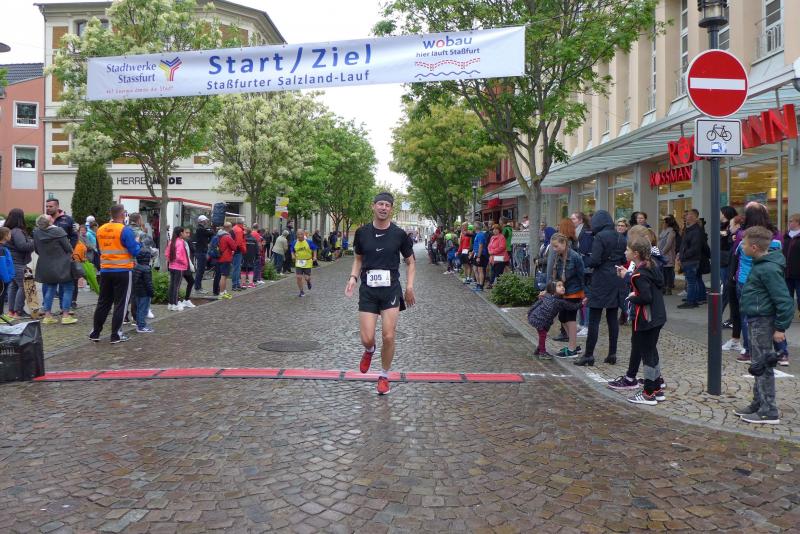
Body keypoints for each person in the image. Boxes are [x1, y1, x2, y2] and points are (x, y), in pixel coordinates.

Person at [345, 192, 416, 396]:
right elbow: (358, 259)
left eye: (387, 205)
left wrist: (409, 287)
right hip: (368, 290)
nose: (383, 208)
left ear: (391, 209)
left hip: (390, 289)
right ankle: (369, 350)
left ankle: (384, 376)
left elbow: (410, 262)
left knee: (389, 335)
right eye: (380, 204)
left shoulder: (399, 234)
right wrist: (353, 278)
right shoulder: (362, 232)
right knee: (367, 338)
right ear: (373, 206)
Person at [734, 226, 794, 424]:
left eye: (743, 243)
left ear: (753, 247)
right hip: (756, 319)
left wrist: (780, 328)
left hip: (763, 321)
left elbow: (784, 301)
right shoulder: (760, 264)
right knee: (758, 364)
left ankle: (769, 410)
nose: (741, 246)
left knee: (763, 365)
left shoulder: (768, 269)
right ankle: (758, 403)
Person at [611, 237, 668, 405]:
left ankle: (648, 393)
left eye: (627, 250)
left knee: (647, 354)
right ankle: (656, 389)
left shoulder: (638, 274)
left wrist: (632, 297)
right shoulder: (651, 266)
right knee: (652, 352)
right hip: (658, 316)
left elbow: (646, 297)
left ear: (635, 254)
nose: (625, 252)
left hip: (647, 318)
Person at [575, 210, 627, 367]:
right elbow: (623, 258)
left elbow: (595, 260)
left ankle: (589, 355)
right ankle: (612, 354)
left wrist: (586, 260)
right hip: (616, 278)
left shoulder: (600, 237)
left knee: (594, 319)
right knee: (612, 318)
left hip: (601, 279)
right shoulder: (620, 236)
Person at [89, 205, 142, 344]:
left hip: (106, 270)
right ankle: (116, 334)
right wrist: (138, 243)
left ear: (110, 214)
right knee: (121, 303)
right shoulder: (125, 230)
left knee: (103, 302)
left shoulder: (101, 229)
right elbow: (135, 251)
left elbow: (99, 250)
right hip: (123, 270)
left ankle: (95, 332)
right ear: (123, 215)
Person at [32, 215, 77, 325]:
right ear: (49, 221)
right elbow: (68, 248)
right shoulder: (58, 231)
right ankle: (65, 316)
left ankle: (47, 316)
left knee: (50, 288)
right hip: (62, 264)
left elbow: (36, 249)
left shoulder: (37, 232)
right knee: (68, 288)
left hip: (46, 264)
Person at [547, 233, 586, 358]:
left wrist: (586, 294)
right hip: (563, 291)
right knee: (562, 318)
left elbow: (582, 275)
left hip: (574, 291)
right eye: (553, 247)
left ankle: (572, 349)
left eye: (556, 246)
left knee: (570, 318)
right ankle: (573, 344)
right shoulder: (558, 256)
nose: (554, 249)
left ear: (564, 243)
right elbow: (556, 276)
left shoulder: (575, 257)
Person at [528, 280, 583, 360]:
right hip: (540, 320)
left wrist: (530, 313)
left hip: (536, 318)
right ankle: (542, 353)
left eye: (563, 286)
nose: (562, 287)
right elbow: (572, 307)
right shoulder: (559, 301)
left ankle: (539, 349)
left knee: (542, 335)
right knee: (543, 336)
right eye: (559, 286)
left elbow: (537, 303)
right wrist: (582, 303)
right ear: (553, 289)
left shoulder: (548, 296)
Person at [3, 209, 34, 320]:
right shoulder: (17, 231)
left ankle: (11, 311)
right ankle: (18, 311)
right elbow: (23, 246)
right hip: (18, 263)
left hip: (11, 263)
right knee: (24, 286)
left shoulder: (8, 230)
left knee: (14, 286)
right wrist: (34, 242)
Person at [165, 227, 196, 311]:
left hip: (172, 266)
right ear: (180, 233)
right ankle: (175, 304)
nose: (183, 233)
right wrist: (185, 262)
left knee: (172, 286)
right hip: (179, 267)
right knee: (176, 286)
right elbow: (179, 256)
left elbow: (167, 253)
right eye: (183, 232)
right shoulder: (180, 242)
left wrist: (171, 261)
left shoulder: (172, 241)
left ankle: (171, 304)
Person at [132, 238, 155, 333]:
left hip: (137, 291)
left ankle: (139, 324)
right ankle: (141, 326)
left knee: (139, 308)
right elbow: (148, 283)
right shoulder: (146, 269)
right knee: (143, 309)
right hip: (145, 292)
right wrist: (152, 292)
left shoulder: (136, 267)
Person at [212, 222, 236, 299]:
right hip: (225, 258)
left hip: (219, 257)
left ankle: (224, 291)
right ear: (229, 227)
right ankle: (222, 293)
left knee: (221, 275)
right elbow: (234, 247)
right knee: (224, 276)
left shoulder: (218, 235)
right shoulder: (227, 237)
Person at [782, 213, 800, 316]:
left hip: (798, 273)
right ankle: (788, 315)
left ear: (797, 222)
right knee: (787, 296)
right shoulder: (786, 236)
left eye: (791, 221)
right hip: (787, 272)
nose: (789, 223)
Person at [658, 215, 680, 295]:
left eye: (664, 222)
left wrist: (662, 253)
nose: (662, 223)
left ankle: (668, 288)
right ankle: (663, 287)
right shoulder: (663, 230)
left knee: (668, 272)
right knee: (663, 272)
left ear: (667, 223)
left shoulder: (671, 231)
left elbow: (669, 244)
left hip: (668, 255)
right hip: (662, 254)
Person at [192, 215, 214, 293]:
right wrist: (212, 229)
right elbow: (211, 233)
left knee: (201, 271)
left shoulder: (201, 229)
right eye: (206, 220)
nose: (207, 222)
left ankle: (198, 287)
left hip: (201, 251)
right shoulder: (200, 229)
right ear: (202, 221)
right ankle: (197, 288)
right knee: (200, 271)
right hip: (201, 252)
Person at [292, 229, 317, 297]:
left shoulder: (309, 242)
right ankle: (301, 291)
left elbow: (314, 248)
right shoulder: (294, 242)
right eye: (298, 234)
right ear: (296, 235)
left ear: (304, 234)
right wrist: (293, 255)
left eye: (301, 234)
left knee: (306, 278)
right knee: (298, 277)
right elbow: (292, 250)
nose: (300, 236)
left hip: (307, 261)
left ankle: (308, 281)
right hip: (299, 262)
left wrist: (314, 256)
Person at [471, 221, 490, 291]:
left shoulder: (481, 235)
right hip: (476, 254)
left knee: (480, 270)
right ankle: (478, 284)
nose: (473, 226)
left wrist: (478, 257)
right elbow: (476, 246)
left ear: (477, 226)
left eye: (474, 225)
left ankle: (481, 285)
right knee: (475, 269)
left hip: (481, 254)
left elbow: (481, 246)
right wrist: (472, 253)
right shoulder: (477, 234)